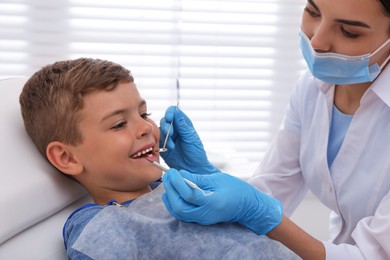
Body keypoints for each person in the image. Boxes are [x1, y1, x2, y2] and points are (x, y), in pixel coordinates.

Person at [158, 0, 390, 259]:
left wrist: (261, 214)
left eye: (348, 32)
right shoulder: (312, 88)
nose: (317, 42)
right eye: (312, 12)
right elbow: (271, 190)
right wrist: (207, 178)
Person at [19, 58, 298, 259]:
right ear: (66, 157)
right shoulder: (103, 227)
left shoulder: (187, 195)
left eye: (143, 114)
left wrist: (210, 177)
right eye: (118, 124)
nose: (145, 128)